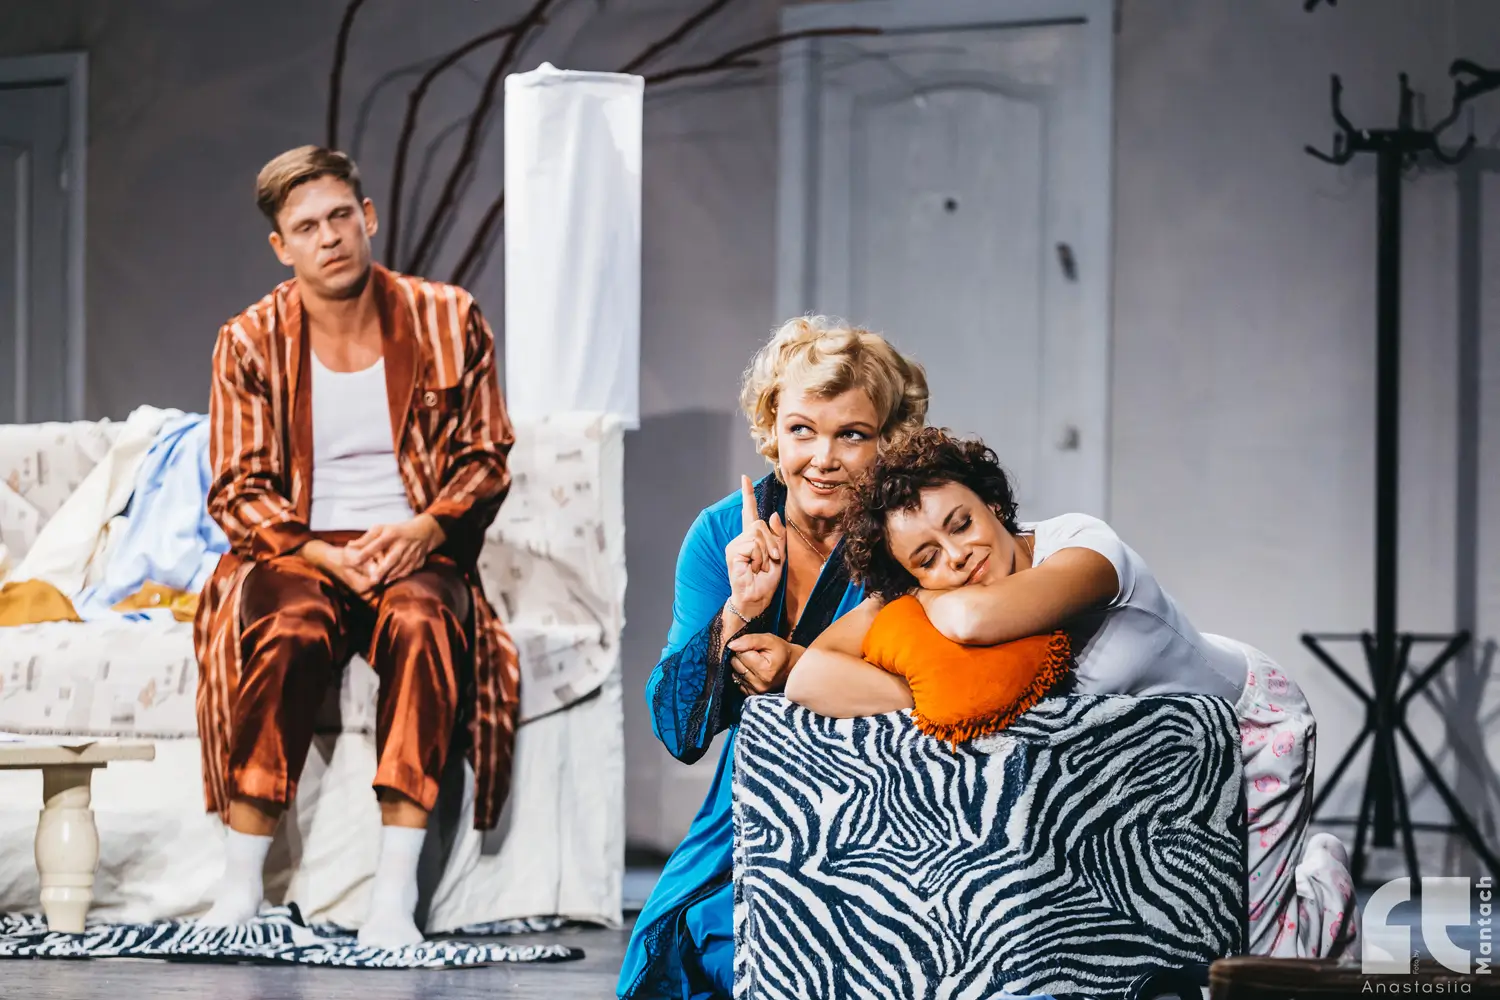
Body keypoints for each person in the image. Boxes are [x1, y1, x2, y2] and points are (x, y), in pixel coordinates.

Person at [788, 427, 1359, 960]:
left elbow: (971, 620)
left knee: (1259, 956)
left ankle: (1327, 887)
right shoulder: (947, 591)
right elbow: (808, 676)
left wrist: (923, 593)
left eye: (960, 524)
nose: (956, 556)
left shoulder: (1083, 546)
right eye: (927, 557)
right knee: (1182, 946)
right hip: (1142, 771)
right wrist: (924, 691)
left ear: (993, 503)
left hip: (1245, 729)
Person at [192, 145, 519, 948]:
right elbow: (237, 487)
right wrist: (317, 553)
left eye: (341, 216)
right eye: (307, 227)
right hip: (299, 551)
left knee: (425, 626)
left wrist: (427, 528)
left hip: (417, 543)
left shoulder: (448, 317)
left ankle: (393, 897)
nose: (330, 237)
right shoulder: (249, 340)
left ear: (367, 217)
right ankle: (238, 888)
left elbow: (485, 455)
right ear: (282, 247)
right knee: (289, 630)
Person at [617, 316, 929, 999]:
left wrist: (798, 668)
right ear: (772, 431)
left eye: (852, 434)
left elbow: (935, 692)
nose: (824, 458)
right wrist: (737, 611)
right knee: (684, 947)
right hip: (751, 812)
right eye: (802, 430)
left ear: (887, 440)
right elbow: (678, 733)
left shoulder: (913, 532)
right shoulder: (721, 532)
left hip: (893, 809)